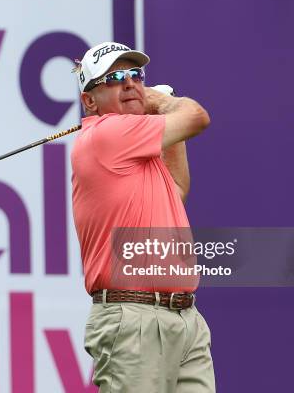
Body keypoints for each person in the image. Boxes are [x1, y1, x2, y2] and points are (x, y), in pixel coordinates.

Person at [71, 42, 215, 392]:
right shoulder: (107, 133)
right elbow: (197, 117)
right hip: (132, 319)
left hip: (185, 318)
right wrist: (162, 103)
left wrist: (156, 116)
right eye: (115, 78)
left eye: (136, 76)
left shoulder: (137, 148)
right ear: (90, 101)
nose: (130, 84)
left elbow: (177, 188)